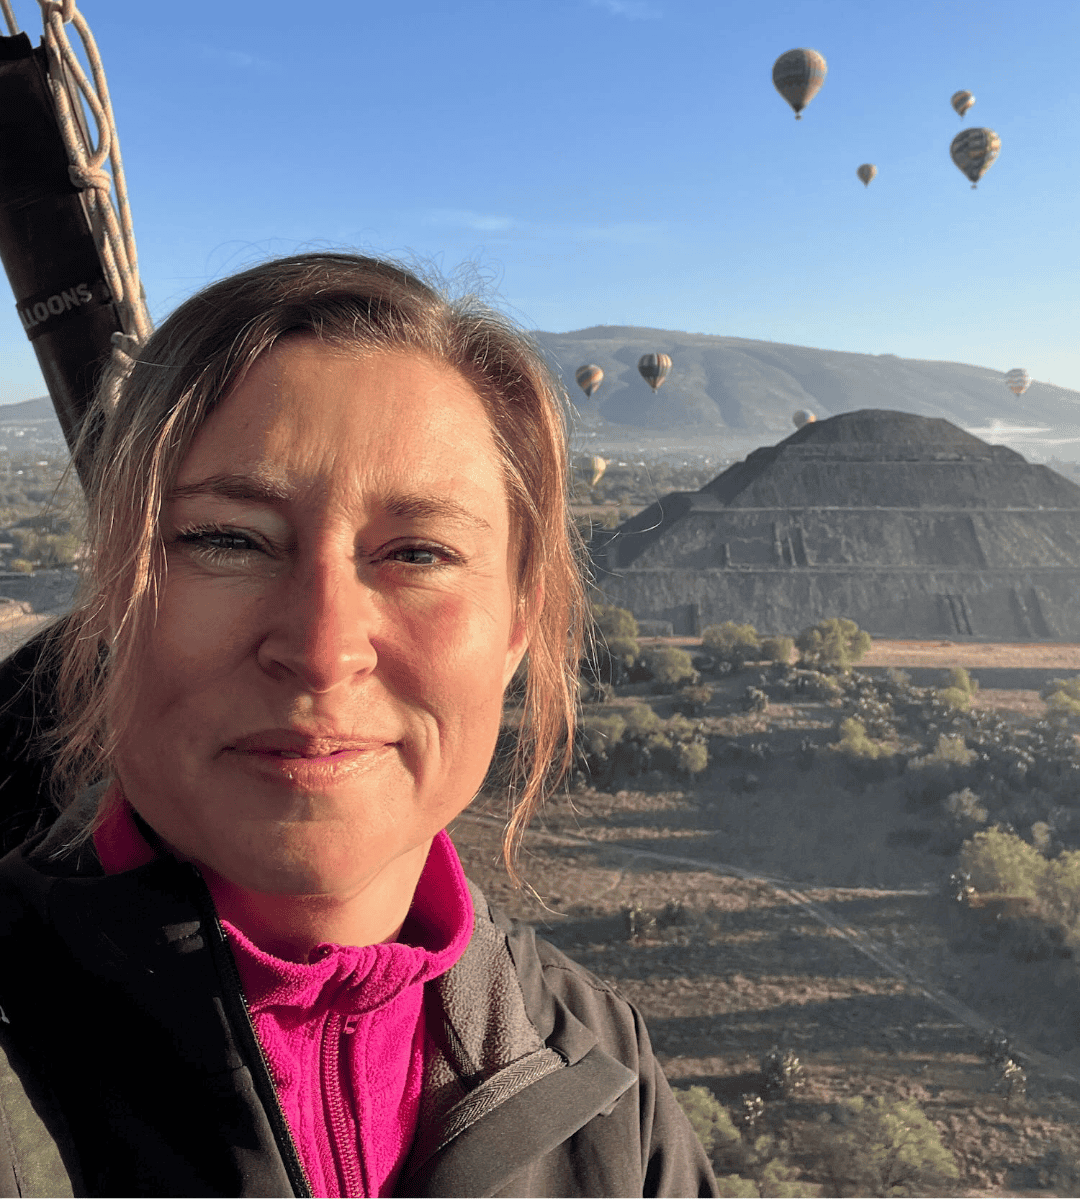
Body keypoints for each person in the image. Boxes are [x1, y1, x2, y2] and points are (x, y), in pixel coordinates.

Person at [0, 252, 717, 1197]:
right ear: (109, 599)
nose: (324, 648)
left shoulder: (602, 1071)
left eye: (418, 553)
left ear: (518, 625)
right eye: (227, 540)